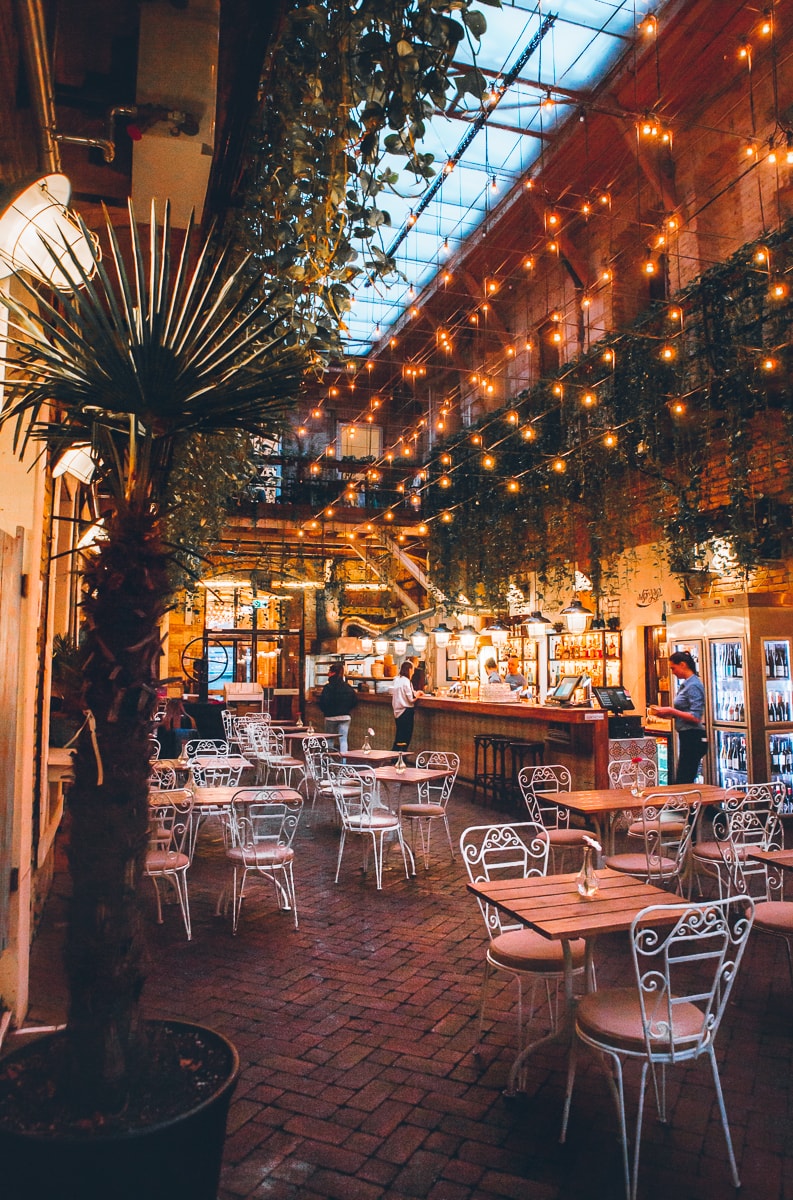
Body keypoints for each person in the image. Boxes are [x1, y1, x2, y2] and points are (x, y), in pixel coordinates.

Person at [648, 650, 707, 783]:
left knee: (684, 778)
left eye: (673, 668)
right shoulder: (686, 684)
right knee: (684, 776)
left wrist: (671, 711)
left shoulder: (693, 686)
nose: (673, 672)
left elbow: (696, 716)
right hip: (687, 735)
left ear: (683, 664)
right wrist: (666, 713)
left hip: (693, 736)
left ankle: (689, 803)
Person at [318, 661, 357, 752]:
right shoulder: (347, 687)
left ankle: (329, 761)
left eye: (329, 672)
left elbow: (323, 702)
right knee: (343, 740)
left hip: (330, 717)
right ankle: (344, 762)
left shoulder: (328, 687)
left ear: (333, 673)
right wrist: (347, 710)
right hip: (345, 716)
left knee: (330, 739)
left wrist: (325, 711)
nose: (328, 674)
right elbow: (354, 701)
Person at [391, 660, 422, 751]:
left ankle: (394, 757)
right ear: (409, 670)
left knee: (399, 736)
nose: (413, 672)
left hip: (397, 712)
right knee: (406, 737)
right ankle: (401, 757)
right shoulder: (406, 681)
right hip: (406, 712)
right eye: (412, 670)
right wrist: (419, 694)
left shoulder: (397, 680)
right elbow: (411, 699)